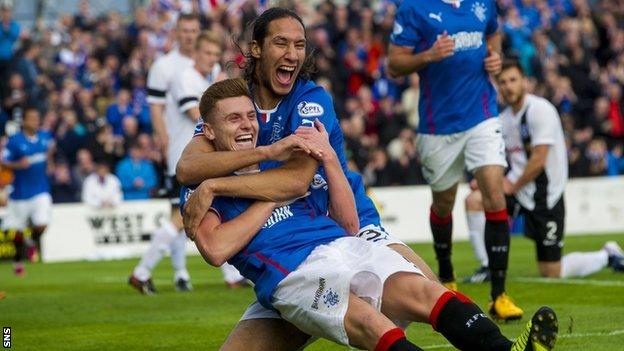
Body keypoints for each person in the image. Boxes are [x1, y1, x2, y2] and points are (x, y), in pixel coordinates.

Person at [182, 78, 559, 351]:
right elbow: (215, 249)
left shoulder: (285, 151)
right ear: (208, 131)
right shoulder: (202, 184)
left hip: (342, 243)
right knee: (368, 322)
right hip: (293, 273)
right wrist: (271, 194)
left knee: (424, 290)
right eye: (234, 120)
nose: (248, 125)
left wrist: (320, 161)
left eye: (250, 116)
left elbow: (348, 224)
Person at [174, 8, 439, 349]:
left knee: (431, 296)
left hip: (347, 221)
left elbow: (296, 182)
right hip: (296, 242)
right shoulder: (236, 104)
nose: (292, 54)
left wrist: (215, 184)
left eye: (299, 45)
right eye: (281, 43)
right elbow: (186, 168)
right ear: (256, 49)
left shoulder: (309, 98)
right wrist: (264, 155)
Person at [387, 0, 522, 320]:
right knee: (444, 204)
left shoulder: (482, 4)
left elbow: (493, 32)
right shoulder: (414, 8)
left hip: (482, 115)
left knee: (494, 195)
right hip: (439, 127)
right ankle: (446, 275)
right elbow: (394, 65)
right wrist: (428, 56)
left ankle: (499, 294)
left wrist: (495, 56)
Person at [463, 60, 624, 279]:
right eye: (502, 82)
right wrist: (486, 181)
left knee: (551, 273)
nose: (508, 86)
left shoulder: (540, 110)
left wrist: (511, 185)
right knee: (475, 200)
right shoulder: (504, 119)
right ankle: (487, 267)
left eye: (513, 80)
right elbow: (503, 160)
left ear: (525, 82)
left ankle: (607, 255)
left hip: (546, 195)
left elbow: (539, 159)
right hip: (519, 190)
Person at [128, 13, 200, 294]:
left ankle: (181, 274)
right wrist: (164, 140)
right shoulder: (164, 66)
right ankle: (142, 271)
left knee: (179, 212)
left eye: (194, 30)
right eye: (185, 30)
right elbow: (155, 107)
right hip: (180, 151)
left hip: (199, 151)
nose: (190, 35)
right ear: (176, 32)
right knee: (182, 215)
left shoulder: (205, 65)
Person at [169, 30, 247, 288]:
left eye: (216, 55)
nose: (212, 59)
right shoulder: (185, 78)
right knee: (180, 220)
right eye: (208, 53)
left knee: (216, 213)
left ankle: (226, 275)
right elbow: (199, 117)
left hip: (212, 156)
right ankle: (145, 270)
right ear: (197, 52)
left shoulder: (211, 76)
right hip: (185, 156)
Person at [1, 107, 54, 274]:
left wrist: (50, 162)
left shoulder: (45, 137)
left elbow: (50, 150)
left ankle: (31, 242)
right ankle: (18, 261)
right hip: (20, 194)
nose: (35, 121)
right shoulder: (15, 141)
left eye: (37, 118)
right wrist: (18, 165)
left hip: (40, 190)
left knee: (43, 223)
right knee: (15, 231)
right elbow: (3, 162)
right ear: (24, 121)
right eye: (31, 118)